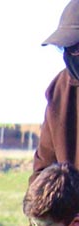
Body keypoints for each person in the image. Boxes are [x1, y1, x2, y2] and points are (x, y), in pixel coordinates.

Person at [36, 0, 79, 178]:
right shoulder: (58, 91)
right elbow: (43, 172)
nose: (69, 55)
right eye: (65, 48)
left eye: (76, 48)